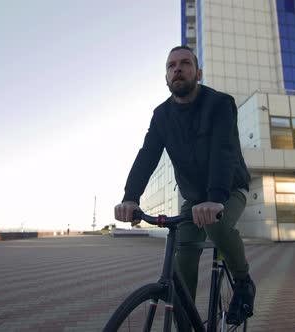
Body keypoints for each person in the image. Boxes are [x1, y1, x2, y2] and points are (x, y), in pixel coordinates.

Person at [114, 45, 255, 324]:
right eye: (171, 66)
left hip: (228, 190)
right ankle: (185, 323)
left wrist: (216, 197)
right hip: (193, 199)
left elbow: (223, 150)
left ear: (198, 73)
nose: (177, 68)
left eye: (185, 63)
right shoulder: (161, 115)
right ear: (166, 78)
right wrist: (130, 197)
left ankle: (243, 281)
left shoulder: (219, 103)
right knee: (182, 261)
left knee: (216, 224)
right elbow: (147, 155)